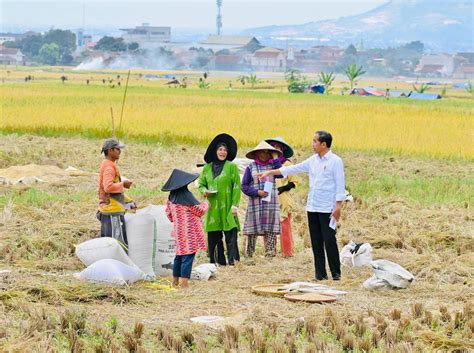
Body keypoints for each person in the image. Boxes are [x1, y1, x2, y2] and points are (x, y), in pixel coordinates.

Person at [258, 131, 345, 280]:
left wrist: (338, 206)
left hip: (327, 209)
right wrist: (271, 172)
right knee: (316, 241)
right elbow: (292, 169)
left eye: (315, 141)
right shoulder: (313, 160)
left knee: (329, 241)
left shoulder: (335, 161)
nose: (312, 144)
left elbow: (340, 184)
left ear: (324, 144)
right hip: (313, 207)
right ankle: (320, 275)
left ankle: (336, 275)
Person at [198, 133, 241, 266]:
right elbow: (201, 184)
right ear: (215, 151)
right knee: (214, 235)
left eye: (225, 150)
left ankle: (233, 261)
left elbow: (236, 187)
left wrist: (235, 205)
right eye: (220, 149)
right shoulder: (207, 168)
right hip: (213, 206)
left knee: (230, 233)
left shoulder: (231, 167)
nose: (222, 152)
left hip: (228, 205)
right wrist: (204, 191)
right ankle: (217, 262)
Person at [162, 169, 209, 288]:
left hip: (178, 231)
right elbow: (200, 211)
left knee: (179, 256)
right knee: (188, 257)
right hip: (190, 232)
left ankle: (175, 281)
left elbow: (169, 214)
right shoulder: (187, 196)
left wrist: (177, 219)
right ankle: (184, 284)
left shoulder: (171, 197)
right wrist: (206, 203)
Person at [241, 141, 283, 258]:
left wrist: (275, 157)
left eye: (267, 152)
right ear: (257, 153)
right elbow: (244, 186)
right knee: (252, 231)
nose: (264, 155)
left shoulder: (273, 167)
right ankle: (249, 255)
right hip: (256, 203)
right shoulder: (251, 167)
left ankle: (270, 255)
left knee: (270, 229)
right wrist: (257, 192)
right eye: (261, 152)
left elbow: (282, 174)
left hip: (271, 204)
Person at [97, 138, 135, 246]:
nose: (120, 151)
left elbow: (113, 192)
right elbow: (108, 187)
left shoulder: (108, 164)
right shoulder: (109, 167)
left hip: (110, 211)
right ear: (110, 151)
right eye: (117, 149)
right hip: (112, 214)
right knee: (117, 245)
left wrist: (128, 202)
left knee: (108, 245)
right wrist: (123, 184)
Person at [265, 137, 298, 257]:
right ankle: (270, 252)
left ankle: (287, 253)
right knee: (268, 227)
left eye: (278, 148)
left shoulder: (287, 164)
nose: (275, 150)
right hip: (269, 198)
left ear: (282, 150)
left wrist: (282, 188)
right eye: (273, 147)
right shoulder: (267, 165)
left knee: (285, 227)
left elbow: (294, 182)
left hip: (283, 200)